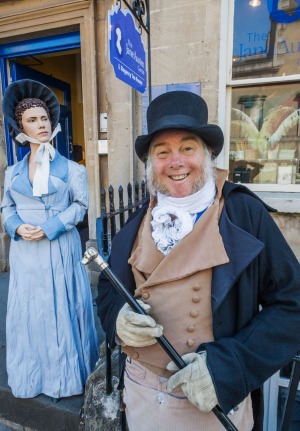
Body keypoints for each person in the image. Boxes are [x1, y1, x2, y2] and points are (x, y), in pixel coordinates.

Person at [97, 90, 300, 431]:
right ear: (151, 165)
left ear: (207, 154)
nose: (175, 162)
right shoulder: (137, 221)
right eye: (162, 153)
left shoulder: (243, 214)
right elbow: (108, 287)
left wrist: (228, 367)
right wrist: (118, 317)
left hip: (209, 404)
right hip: (140, 397)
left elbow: (293, 304)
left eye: (187, 148)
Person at [1, 79, 99, 401]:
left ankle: (64, 379)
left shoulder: (72, 169)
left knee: (60, 308)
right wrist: (16, 226)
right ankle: (32, 375)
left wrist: (52, 225)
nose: (41, 124)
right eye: (33, 120)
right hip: (25, 254)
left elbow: (81, 206)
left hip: (58, 248)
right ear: (20, 126)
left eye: (44, 118)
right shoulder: (12, 172)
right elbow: (6, 207)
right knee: (30, 312)